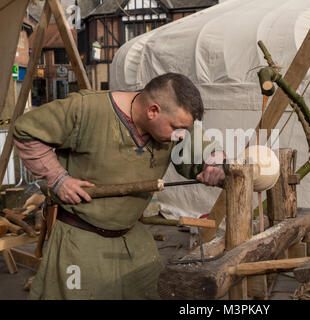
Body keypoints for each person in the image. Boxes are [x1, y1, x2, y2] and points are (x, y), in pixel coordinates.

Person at [13, 73, 225, 299]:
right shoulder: (86, 109)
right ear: (153, 111)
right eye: (177, 128)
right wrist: (58, 178)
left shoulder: (176, 128)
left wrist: (215, 161)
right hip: (80, 239)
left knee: (156, 291)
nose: (182, 136)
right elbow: (26, 130)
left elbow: (204, 151)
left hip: (132, 237)